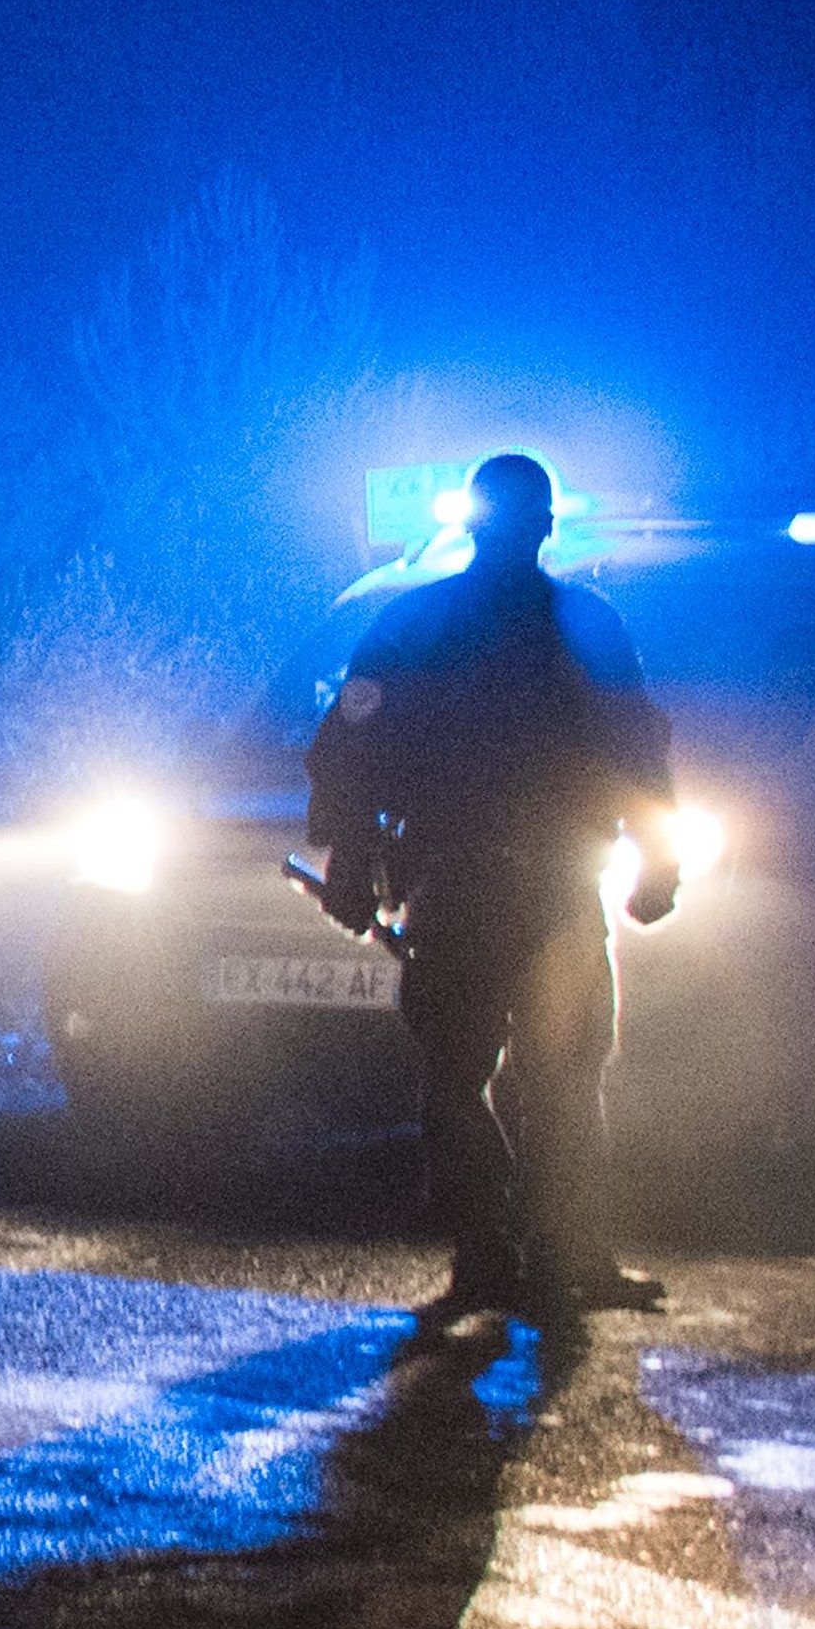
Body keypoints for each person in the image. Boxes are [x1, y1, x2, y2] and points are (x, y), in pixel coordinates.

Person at [308, 451, 680, 1323]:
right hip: (537, 889)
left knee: (465, 1077)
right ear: (542, 525)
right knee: (548, 1078)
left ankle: (497, 1253)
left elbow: (346, 750)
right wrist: (658, 862)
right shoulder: (583, 624)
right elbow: (640, 755)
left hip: (471, 886)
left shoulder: (416, 624)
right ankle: (548, 1255)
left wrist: (350, 862)